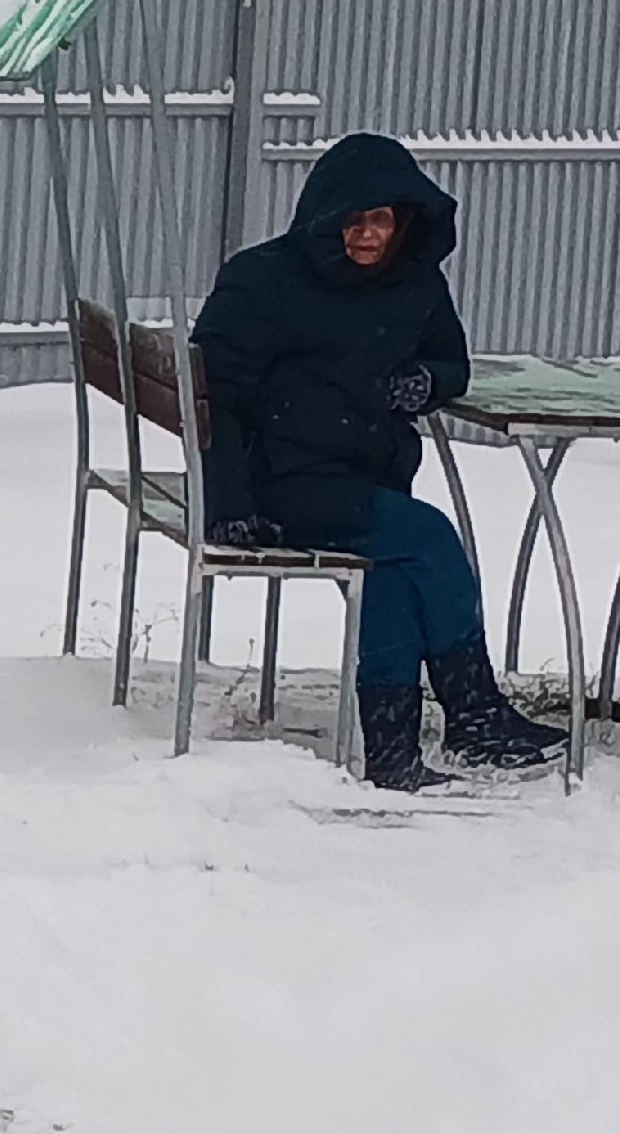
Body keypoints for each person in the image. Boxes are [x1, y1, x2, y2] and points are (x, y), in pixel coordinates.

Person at [193, 132, 565, 791]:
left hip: (362, 476)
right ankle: (474, 712)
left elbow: (454, 363)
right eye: (354, 219)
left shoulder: (414, 282)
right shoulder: (263, 279)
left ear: (405, 223)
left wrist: (426, 379)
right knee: (428, 538)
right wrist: (230, 510)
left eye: (383, 220)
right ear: (325, 215)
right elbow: (213, 402)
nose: (368, 234)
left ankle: (393, 752)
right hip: (278, 486)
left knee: (392, 574)